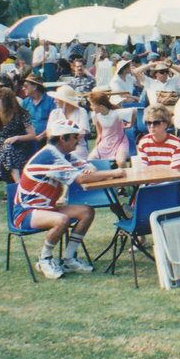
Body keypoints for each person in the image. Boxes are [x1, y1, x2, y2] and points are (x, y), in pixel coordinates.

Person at [13, 117, 126, 279]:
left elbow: (89, 167)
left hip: (47, 208)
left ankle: (69, 258)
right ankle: (44, 259)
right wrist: (115, 173)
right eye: (74, 137)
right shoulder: (50, 155)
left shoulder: (65, 155)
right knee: (62, 220)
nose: (78, 141)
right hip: (26, 212)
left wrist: (90, 170)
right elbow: (81, 179)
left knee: (87, 212)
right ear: (62, 138)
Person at [87, 89, 136, 165]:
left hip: (120, 142)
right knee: (90, 160)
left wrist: (131, 125)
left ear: (101, 106)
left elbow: (134, 111)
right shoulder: (95, 115)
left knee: (121, 161)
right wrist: (99, 137)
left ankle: (124, 175)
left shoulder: (116, 113)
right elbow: (99, 129)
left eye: (92, 105)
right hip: (105, 142)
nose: (91, 107)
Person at [46, 85, 91, 162]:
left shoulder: (81, 111)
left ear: (65, 101)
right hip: (58, 149)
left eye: (57, 99)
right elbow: (49, 133)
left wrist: (62, 137)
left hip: (77, 148)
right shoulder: (55, 113)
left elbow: (82, 133)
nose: (55, 101)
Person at [136, 105, 180, 173]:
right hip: (151, 180)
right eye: (149, 123)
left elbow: (176, 171)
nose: (152, 126)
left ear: (165, 124)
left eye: (156, 123)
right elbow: (143, 168)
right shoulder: (143, 143)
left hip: (174, 181)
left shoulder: (176, 143)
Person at [19, 74, 53, 141]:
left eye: (26, 86)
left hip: (46, 139)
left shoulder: (50, 101)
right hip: (28, 139)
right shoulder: (25, 103)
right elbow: (20, 122)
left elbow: (54, 122)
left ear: (34, 87)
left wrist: (40, 137)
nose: (23, 88)